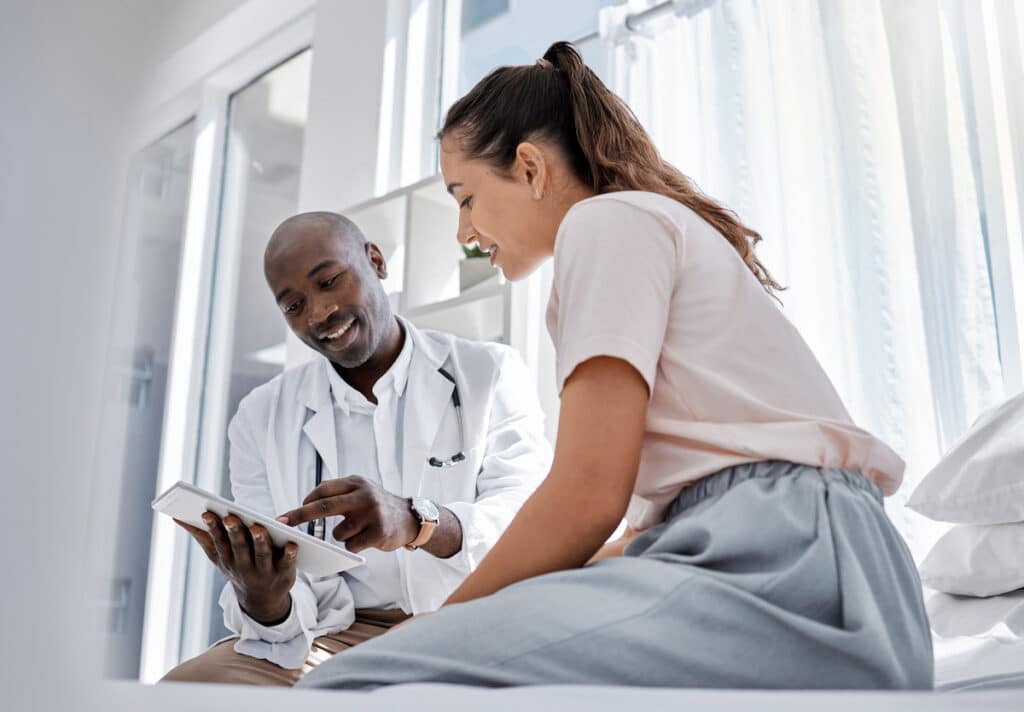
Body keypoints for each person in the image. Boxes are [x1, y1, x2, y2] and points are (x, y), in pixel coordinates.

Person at [296, 42, 934, 690]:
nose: (464, 231)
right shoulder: (647, 225)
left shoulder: (605, 224)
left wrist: (437, 626)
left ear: (530, 167)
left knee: (351, 682)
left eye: (465, 196)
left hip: (787, 562)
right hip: (834, 572)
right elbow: (625, 521)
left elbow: (586, 496)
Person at [162, 212, 551, 685]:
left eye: (329, 281)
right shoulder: (260, 417)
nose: (318, 314)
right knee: (191, 689)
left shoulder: (489, 373)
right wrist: (265, 599)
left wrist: (416, 520)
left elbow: (528, 520)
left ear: (375, 260)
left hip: (469, 615)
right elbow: (289, 613)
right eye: (293, 306)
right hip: (344, 635)